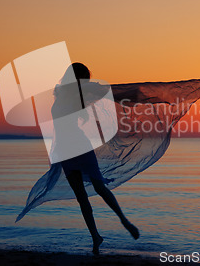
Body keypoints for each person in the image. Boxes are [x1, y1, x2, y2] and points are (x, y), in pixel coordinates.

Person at [51, 62, 139, 255]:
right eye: (85, 79)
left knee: (98, 187)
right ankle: (95, 237)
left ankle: (124, 221)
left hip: (78, 146)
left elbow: (110, 91)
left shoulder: (72, 94)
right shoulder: (65, 93)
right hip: (66, 150)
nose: (87, 83)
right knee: (82, 198)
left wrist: (135, 95)